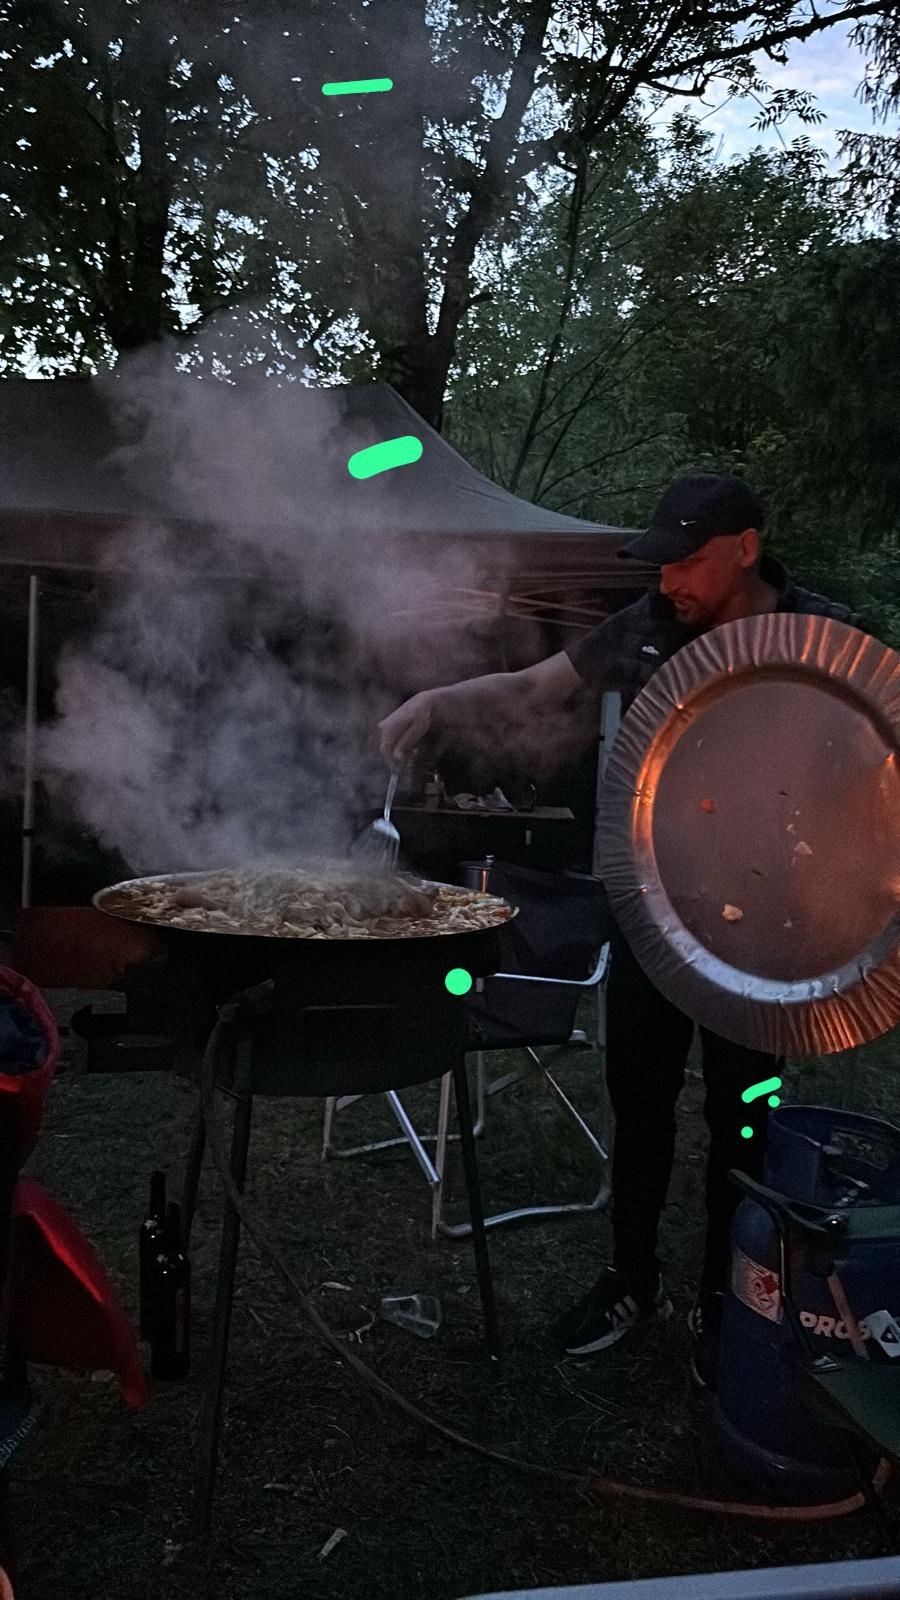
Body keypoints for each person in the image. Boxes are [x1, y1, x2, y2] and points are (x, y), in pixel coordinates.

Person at [378, 471, 859, 1388]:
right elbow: (537, 683)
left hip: (766, 935)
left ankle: (727, 1297)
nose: (667, 579)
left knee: (744, 1115)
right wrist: (438, 700)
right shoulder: (647, 624)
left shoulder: (821, 634)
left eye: (686, 560)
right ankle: (631, 1278)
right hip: (653, 913)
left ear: (746, 549)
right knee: (638, 1101)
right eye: (661, 562)